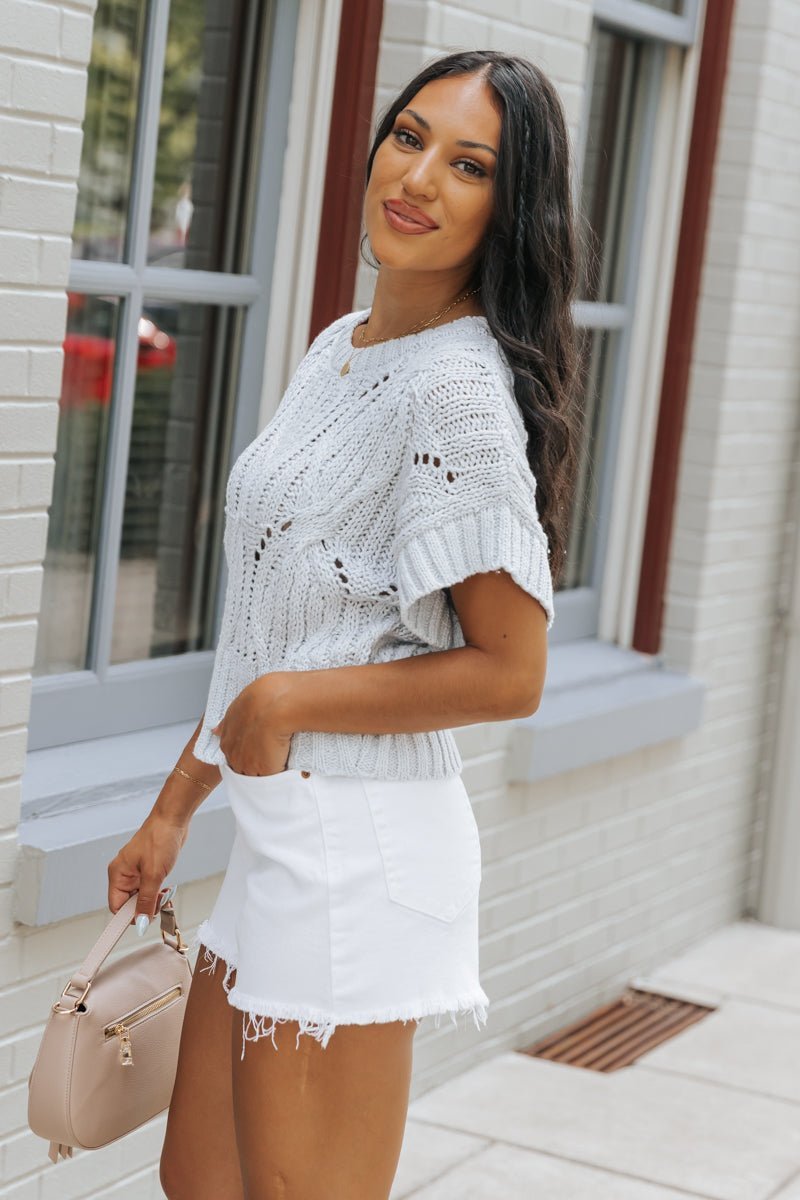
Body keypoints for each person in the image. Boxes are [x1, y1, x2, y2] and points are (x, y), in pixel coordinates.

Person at [107, 48, 581, 1200]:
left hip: (358, 851)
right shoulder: (340, 349)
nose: (416, 176)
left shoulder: (455, 395)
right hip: (281, 833)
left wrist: (285, 705)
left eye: (468, 164)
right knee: (199, 1178)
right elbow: (267, 623)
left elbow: (511, 673)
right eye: (408, 136)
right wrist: (176, 807)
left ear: (505, 211)